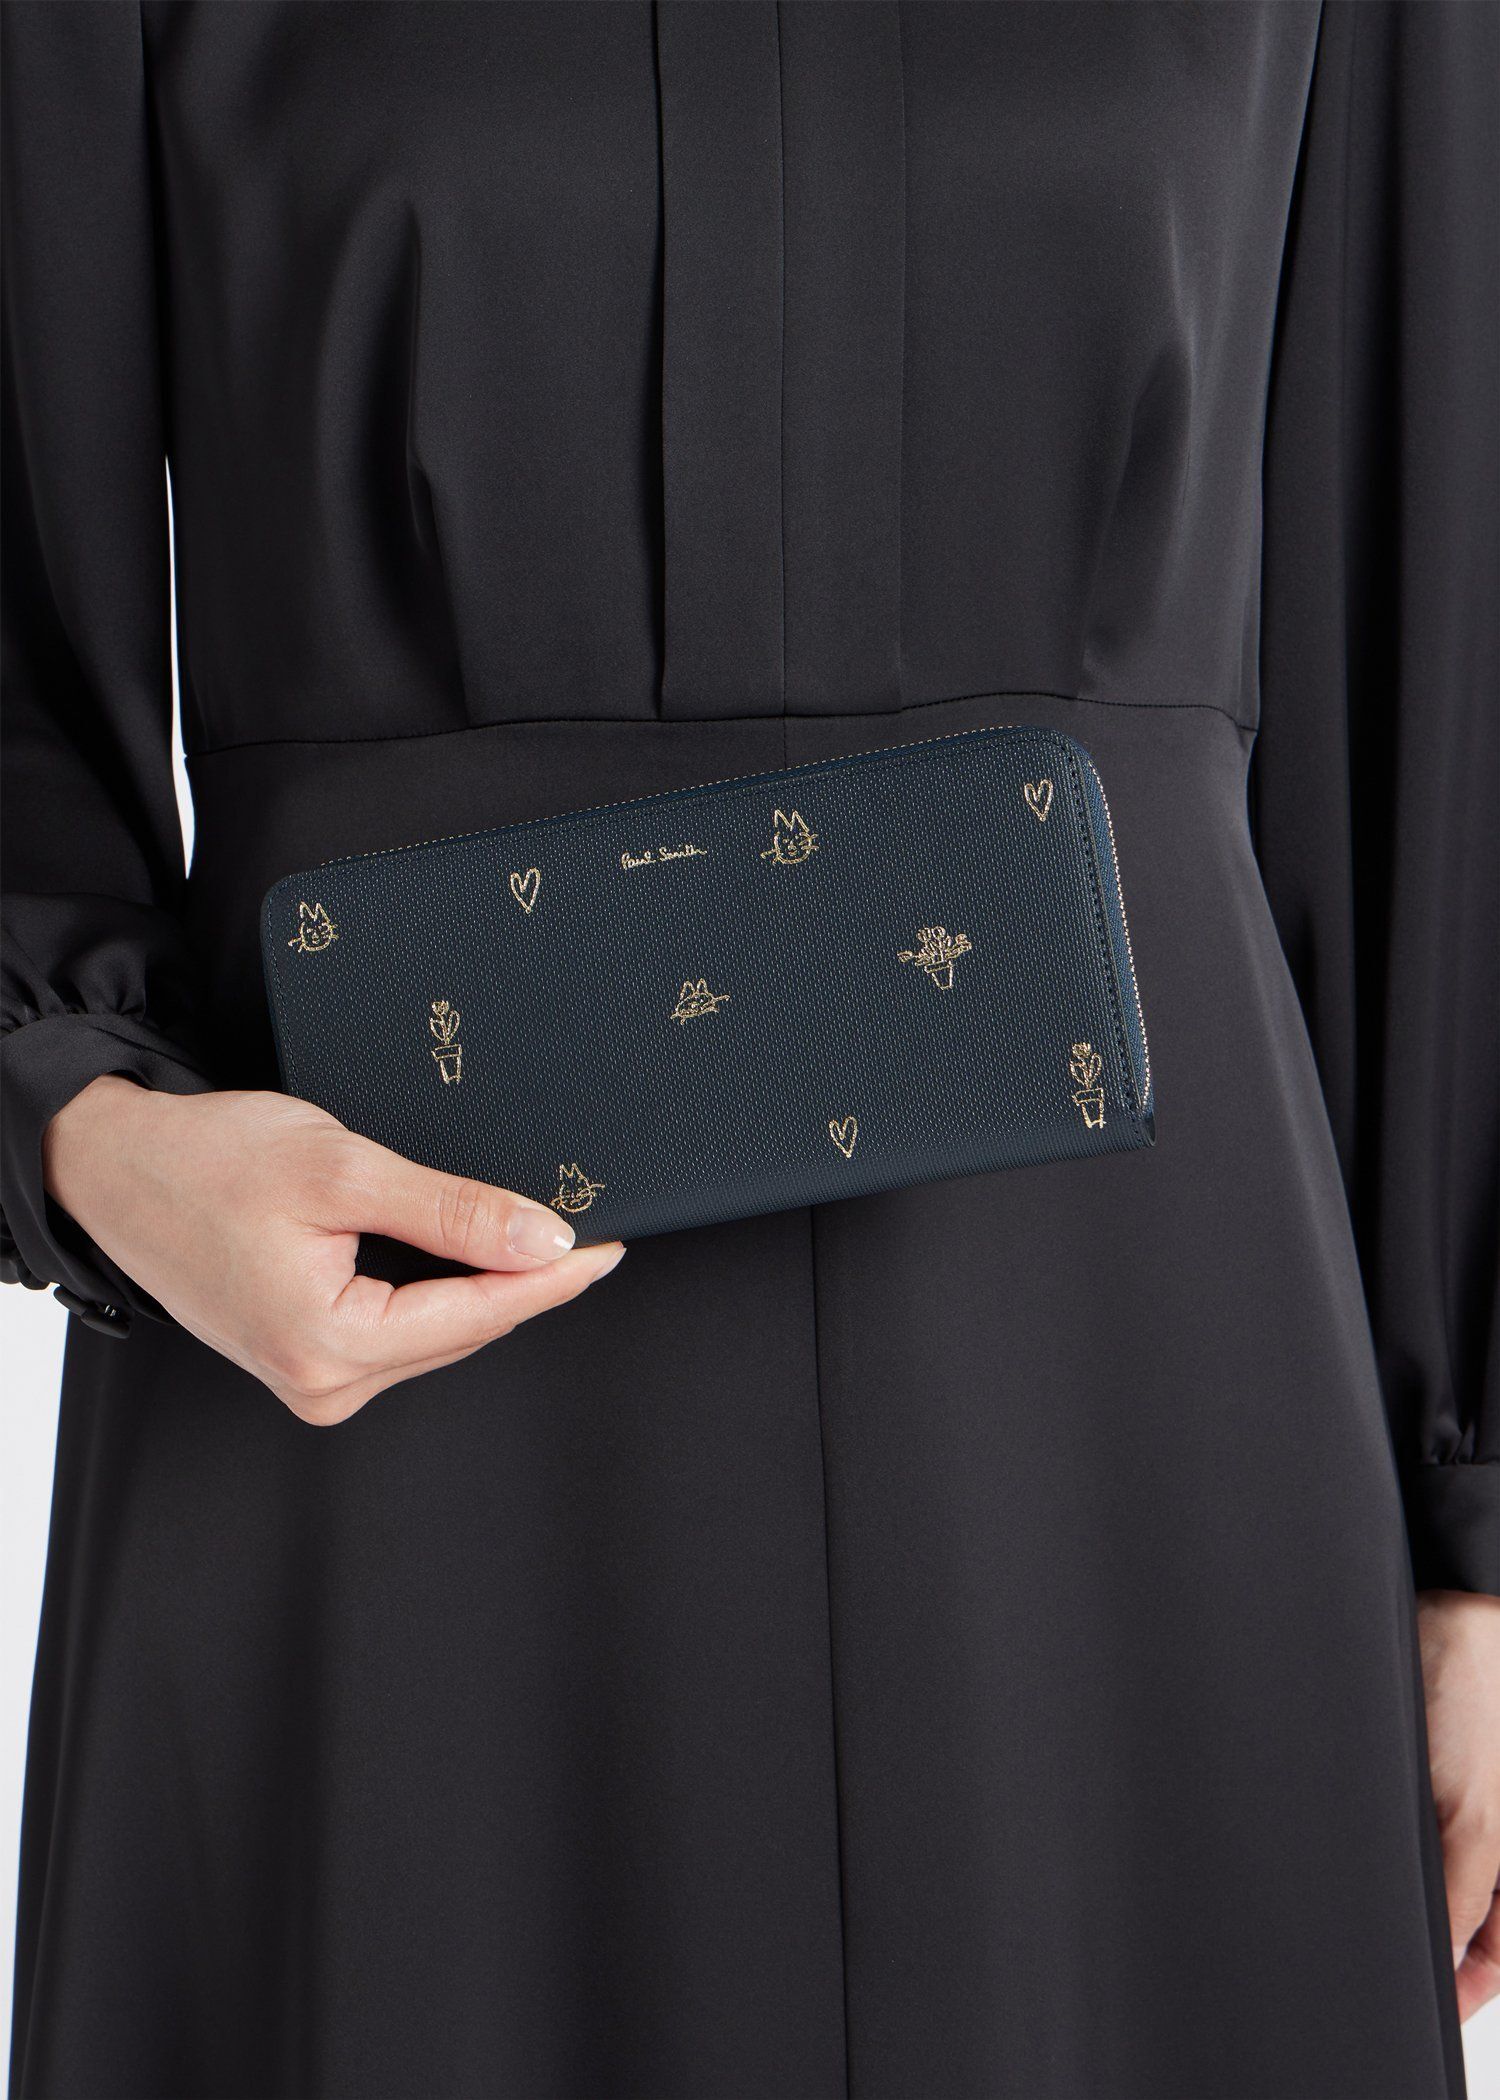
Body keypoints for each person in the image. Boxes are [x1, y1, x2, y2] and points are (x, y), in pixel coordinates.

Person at [3, 5, 1496, 2095]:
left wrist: (1478, 1531)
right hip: (378, 1363)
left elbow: (1426, 617)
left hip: (1136, 1410)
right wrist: (83, 1123)